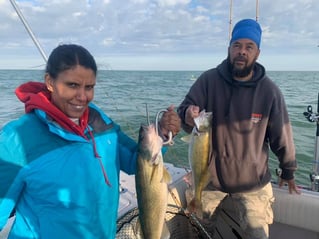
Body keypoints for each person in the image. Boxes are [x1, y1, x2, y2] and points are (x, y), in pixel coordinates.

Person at [0, 44, 181, 238]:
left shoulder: (99, 121)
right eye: (72, 85)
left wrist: (162, 133)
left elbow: (136, 161)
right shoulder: (16, 138)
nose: (82, 97)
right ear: (50, 82)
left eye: (89, 87)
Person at [177, 19, 300, 239]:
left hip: (252, 181)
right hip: (210, 178)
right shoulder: (208, 80)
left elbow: (282, 136)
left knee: (257, 234)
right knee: (197, 232)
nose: (241, 52)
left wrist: (288, 170)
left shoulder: (269, 91)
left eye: (248, 47)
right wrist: (187, 114)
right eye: (237, 46)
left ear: (257, 53)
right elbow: (184, 110)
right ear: (229, 49)